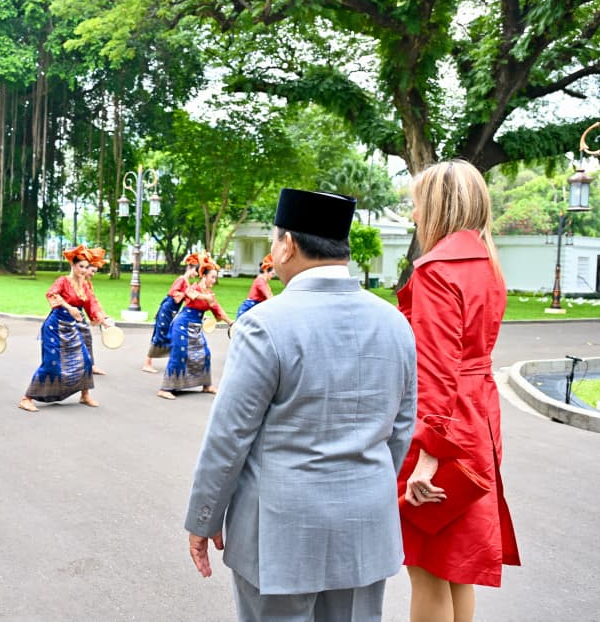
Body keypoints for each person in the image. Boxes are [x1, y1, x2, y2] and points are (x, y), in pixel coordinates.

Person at [184, 189, 417, 622]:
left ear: (287, 244)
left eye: (275, 241)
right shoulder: (395, 323)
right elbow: (401, 430)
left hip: (280, 532)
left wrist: (204, 518)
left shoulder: (265, 324)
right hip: (365, 527)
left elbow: (230, 435)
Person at [398, 160, 520, 622]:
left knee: (427, 567)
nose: (413, 215)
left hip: (443, 429)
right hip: (478, 421)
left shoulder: (436, 269)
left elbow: (435, 371)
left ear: (437, 207)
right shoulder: (487, 264)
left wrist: (426, 459)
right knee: (455, 567)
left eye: (416, 205)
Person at [19, 245, 106, 412]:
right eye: (81, 266)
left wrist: (102, 318)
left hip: (71, 328)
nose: (83, 270)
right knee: (51, 364)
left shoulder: (85, 286)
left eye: (86, 267)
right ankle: (26, 398)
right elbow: (52, 294)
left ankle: (84, 394)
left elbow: (91, 304)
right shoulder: (63, 281)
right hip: (54, 327)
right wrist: (69, 307)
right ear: (73, 266)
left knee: (86, 360)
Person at [158, 255, 233, 400]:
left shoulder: (210, 294)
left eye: (215, 277)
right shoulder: (194, 287)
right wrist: (206, 298)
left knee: (205, 353)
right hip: (182, 325)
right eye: (212, 277)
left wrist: (231, 322)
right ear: (203, 276)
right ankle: (165, 388)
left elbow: (218, 310)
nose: (214, 280)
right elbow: (189, 294)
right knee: (179, 354)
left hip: (196, 327)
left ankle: (206, 385)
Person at [142, 253, 201, 374]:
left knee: (169, 335)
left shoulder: (186, 282)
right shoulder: (181, 280)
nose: (196, 275)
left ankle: (176, 361)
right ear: (190, 268)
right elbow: (175, 296)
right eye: (196, 271)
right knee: (160, 335)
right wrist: (188, 292)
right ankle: (147, 363)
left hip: (171, 311)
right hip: (168, 309)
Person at [81, 247, 110, 376]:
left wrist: (101, 316)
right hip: (65, 317)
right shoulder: (73, 281)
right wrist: (100, 319)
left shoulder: (88, 284)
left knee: (86, 338)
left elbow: (93, 302)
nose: (93, 274)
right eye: (92, 271)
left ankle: (90, 366)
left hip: (77, 316)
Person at [235, 254, 274, 319]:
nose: (272, 276)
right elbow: (269, 296)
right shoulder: (260, 281)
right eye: (272, 274)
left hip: (255, 310)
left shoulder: (263, 282)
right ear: (265, 270)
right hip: (248, 310)